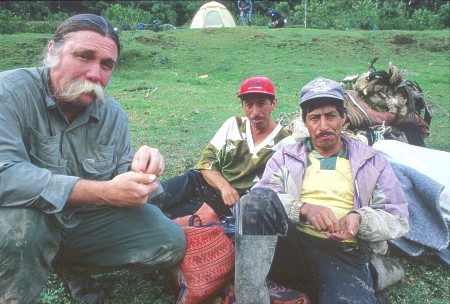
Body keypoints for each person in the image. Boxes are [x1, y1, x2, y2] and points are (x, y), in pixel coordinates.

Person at [0, 14, 186, 304]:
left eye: (106, 65)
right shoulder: (9, 93)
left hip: (79, 223)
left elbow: (118, 178)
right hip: (25, 218)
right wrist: (104, 192)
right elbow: (5, 175)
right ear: (52, 51)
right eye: (84, 56)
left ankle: (70, 262)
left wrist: (142, 171)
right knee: (24, 228)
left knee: (168, 241)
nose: (95, 74)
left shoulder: (113, 115)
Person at [234, 77, 409, 303]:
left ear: (344, 117)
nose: (323, 126)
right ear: (305, 122)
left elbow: (398, 217)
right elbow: (260, 198)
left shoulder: (371, 161)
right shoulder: (287, 155)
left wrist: (360, 218)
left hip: (343, 254)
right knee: (255, 201)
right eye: (315, 118)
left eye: (331, 116)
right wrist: (303, 209)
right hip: (289, 247)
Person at [150, 76, 296, 218]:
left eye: (261, 103)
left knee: (164, 219)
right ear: (243, 106)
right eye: (249, 104)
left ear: (274, 103)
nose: (255, 112)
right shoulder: (233, 125)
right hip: (205, 184)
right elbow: (206, 162)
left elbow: (279, 193)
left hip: (234, 204)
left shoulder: (286, 144)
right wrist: (224, 187)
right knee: (152, 197)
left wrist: (243, 204)